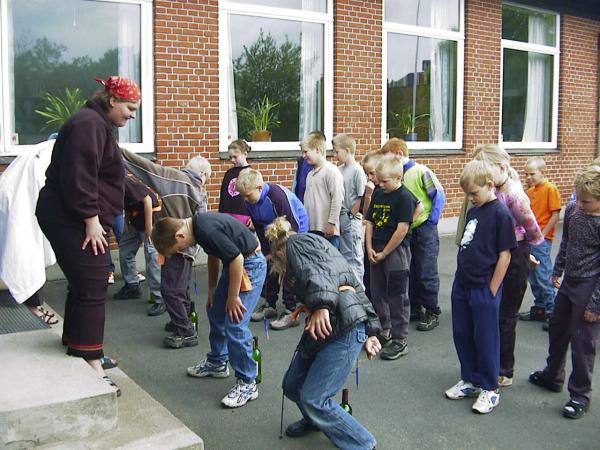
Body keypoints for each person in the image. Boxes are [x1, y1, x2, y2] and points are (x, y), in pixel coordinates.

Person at [35, 75, 142, 396]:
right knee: (94, 280)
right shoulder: (88, 124)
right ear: (112, 101)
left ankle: (78, 344)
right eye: (130, 108)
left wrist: (138, 199)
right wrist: (91, 219)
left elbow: (109, 174)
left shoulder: (98, 124)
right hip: (71, 217)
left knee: (85, 282)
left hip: (73, 216)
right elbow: (79, 175)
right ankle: (91, 361)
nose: (132, 115)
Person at [266, 217, 381, 449]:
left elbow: (317, 274)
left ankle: (364, 444)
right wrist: (371, 330)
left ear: (278, 254)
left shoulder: (296, 244)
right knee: (292, 385)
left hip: (344, 327)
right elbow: (351, 285)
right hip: (329, 324)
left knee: (315, 399)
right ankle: (315, 420)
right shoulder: (313, 247)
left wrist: (321, 306)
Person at [152, 212, 267, 408]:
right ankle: (217, 363)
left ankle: (248, 382)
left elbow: (237, 258)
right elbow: (214, 256)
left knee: (235, 323)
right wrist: (212, 289)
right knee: (216, 311)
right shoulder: (198, 229)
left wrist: (233, 297)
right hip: (235, 265)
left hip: (249, 265)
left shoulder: (206, 229)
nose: (181, 251)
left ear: (179, 236)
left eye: (178, 248)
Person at [529, 165, 600, 420]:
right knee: (557, 329)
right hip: (569, 280)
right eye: (578, 198)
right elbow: (566, 242)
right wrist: (557, 270)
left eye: (587, 202)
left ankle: (580, 395)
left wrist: (595, 305)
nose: (580, 205)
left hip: (590, 285)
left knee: (582, 343)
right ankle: (552, 376)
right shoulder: (573, 210)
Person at [445, 160, 516, 414]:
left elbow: (505, 256)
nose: (471, 198)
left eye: (474, 193)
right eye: (468, 194)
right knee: (462, 332)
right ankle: (471, 380)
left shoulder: (501, 214)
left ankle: (489, 387)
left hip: (483, 288)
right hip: (463, 283)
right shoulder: (474, 211)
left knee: (486, 338)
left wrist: (492, 289)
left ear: (489, 185)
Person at [122, 148, 211, 349]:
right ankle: (181, 320)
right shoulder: (197, 189)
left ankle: (186, 331)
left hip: (176, 246)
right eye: (207, 177)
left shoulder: (177, 180)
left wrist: (119, 152)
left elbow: (146, 168)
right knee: (180, 288)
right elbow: (203, 221)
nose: (206, 181)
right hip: (187, 248)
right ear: (202, 173)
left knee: (171, 290)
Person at [471, 144, 543, 387]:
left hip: (514, 254)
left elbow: (533, 230)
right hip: (495, 253)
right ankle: (488, 362)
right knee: (490, 311)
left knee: (505, 315)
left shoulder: (513, 195)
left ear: (501, 168)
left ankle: (504, 369)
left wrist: (527, 254)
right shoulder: (493, 189)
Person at [383, 138, 446, 331]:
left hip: (424, 228)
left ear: (399, 154)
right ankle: (415, 307)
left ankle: (431, 310)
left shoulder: (420, 171)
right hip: (408, 228)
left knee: (426, 269)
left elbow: (438, 195)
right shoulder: (397, 176)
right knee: (410, 268)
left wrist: (431, 220)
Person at [234, 168, 309, 329]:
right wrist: (267, 252)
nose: (245, 199)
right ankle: (270, 304)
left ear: (259, 188)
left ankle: (291, 310)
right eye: (243, 196)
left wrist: (285, 252)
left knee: (288, 269)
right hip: (272, 232)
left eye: (248, 195)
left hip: (293, 232)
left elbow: (292, 225)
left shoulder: (277, 197)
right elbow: (259, 226)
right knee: (269, 265)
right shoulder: (250, 201)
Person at [365, 153, 421, 360]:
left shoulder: (404, 197)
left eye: (385, 181)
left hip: (396, 251)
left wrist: (384, 252)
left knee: (397, 294)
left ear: (399, 177)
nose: (380, 185)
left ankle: (400, 338)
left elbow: (402, 229)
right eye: (379, 181)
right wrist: (369, 248)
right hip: (376, 248)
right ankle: (385, 329)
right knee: (377, 290)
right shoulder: (379, 194)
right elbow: (369, 222)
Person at [113, 172, 165, 316]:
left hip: (150, 218)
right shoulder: (112, 184)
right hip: (136, 220)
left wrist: (149, 228)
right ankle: (132, 286)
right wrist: (126, 222)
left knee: (152, 256)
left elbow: (147, 201)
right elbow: (127, 204)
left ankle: (161, 298)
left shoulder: (125, 181)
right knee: (125, 247)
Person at [519, 156, 562, 330]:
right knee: (533, 276)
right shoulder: (530, 192)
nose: (528, 177)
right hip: (529, 238)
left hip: (541, 239)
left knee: (544, 275)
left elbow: (555, 215)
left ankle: (553, 312)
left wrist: (542, 235)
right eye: (526, 174)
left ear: (542, 172)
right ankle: (540, 308)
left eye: (532, 174)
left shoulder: (550, 189)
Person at [333, 133, 366, 287]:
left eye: (337, 152)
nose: (335, 155)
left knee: (353, 257)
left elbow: (361, 196)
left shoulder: (357, 170)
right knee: (343, 257)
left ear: (347, 150)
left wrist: (350, 215)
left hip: (351, 220)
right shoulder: (339, 169)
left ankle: (359, 292)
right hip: (340, 217)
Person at [301, 132, 344, 249]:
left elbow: (337, 199)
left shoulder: (332, 172)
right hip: (312, 229)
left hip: (327, 231)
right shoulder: (310, 174)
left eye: (306, 152)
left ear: (317, 150)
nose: (303, 156)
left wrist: (331, 223)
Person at [360, 151, 383, 300]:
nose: (369, 177)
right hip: (372, 239)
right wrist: (368, 195)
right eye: (366, 173)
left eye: (372, 173)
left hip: (385, 240)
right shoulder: (370, 189)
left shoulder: (388, 189)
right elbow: (366, 215)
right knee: (369, 277)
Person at [219, 139, 252, 226]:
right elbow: (223, 196)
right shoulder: (229, 173)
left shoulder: (251, 173)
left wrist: (254, 218)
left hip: (245, 216)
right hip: (227, 216)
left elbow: (256, 197)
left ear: (245, 154)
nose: (232, 160)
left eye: (235, 157)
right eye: (230, 157)